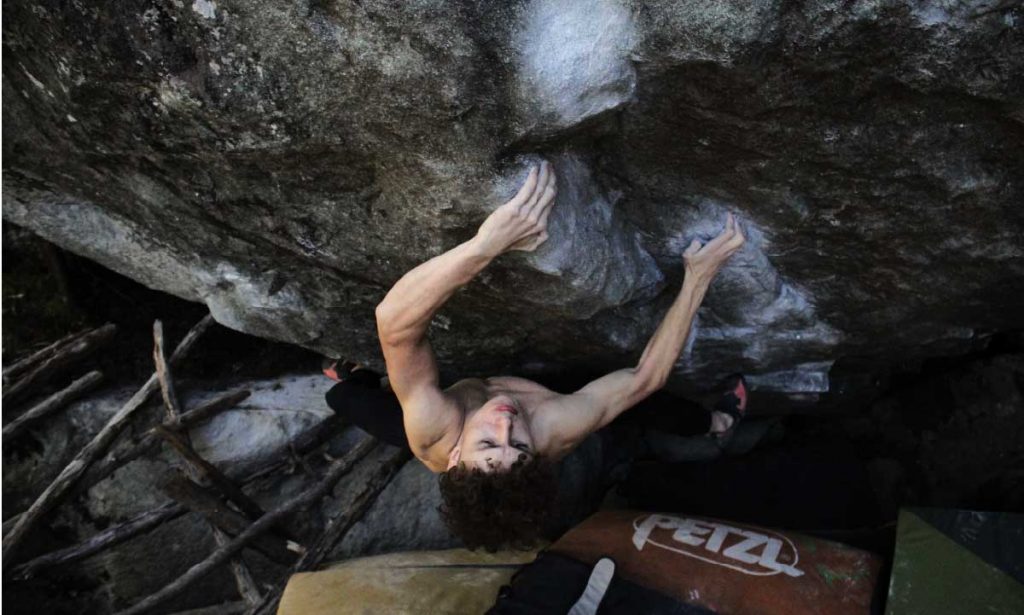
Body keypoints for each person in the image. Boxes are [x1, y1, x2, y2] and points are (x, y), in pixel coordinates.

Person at [325, 160, 747, 550]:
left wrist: (487, 244)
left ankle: (351, 377)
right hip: (542, 389)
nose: (506, 422)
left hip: (445, 410)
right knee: (634, 403)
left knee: (345, 398)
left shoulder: (434, 432)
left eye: (489, 443)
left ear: (455, 459)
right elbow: (645, 377)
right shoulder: (556, 425)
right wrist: (697, 279)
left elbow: (394, 322)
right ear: (537, 455)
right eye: (520, 446)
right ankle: (716, 422)